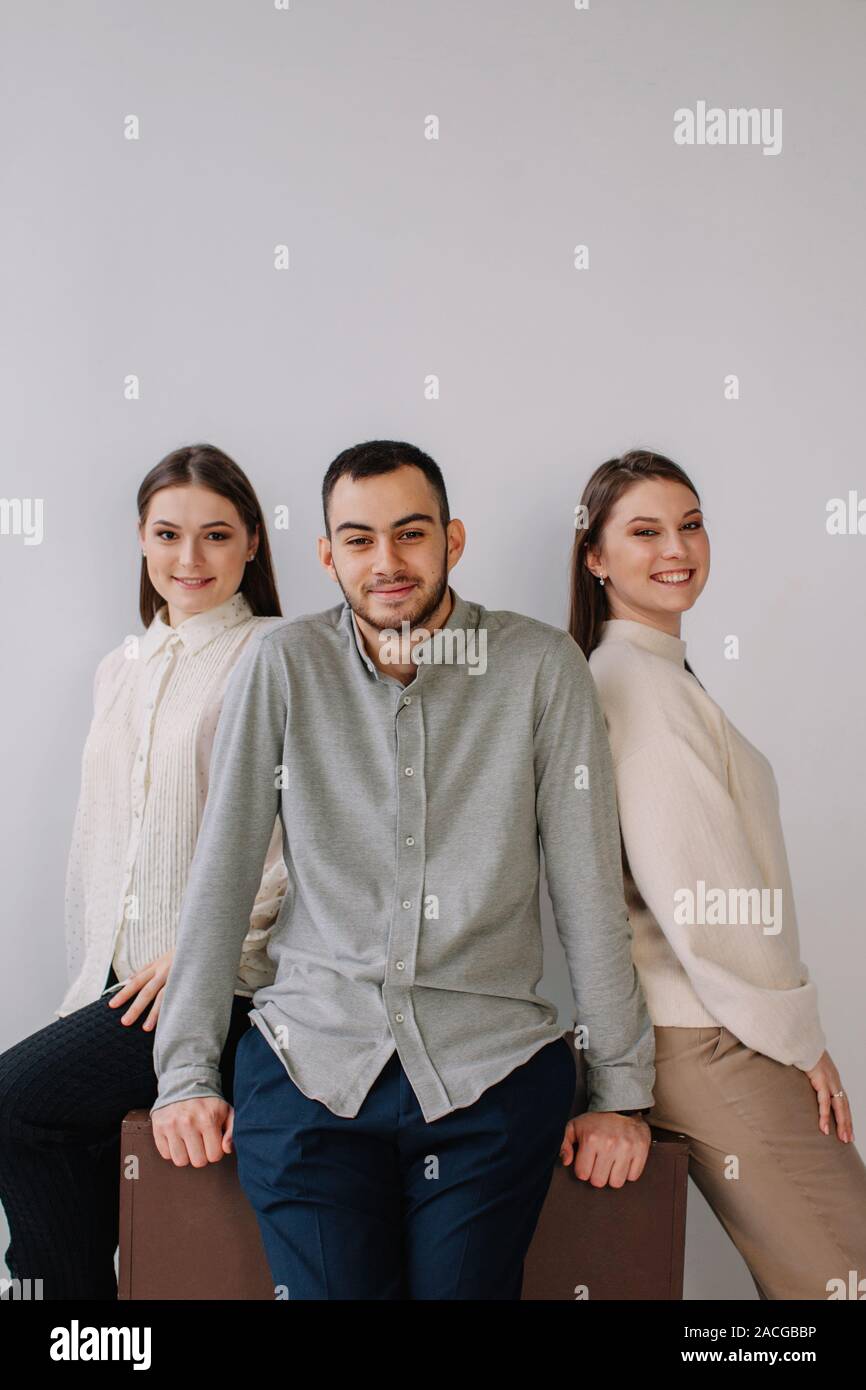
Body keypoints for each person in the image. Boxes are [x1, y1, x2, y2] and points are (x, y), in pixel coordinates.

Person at [149, 439, 655, 1301]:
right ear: (326, 554)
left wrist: (620, 1090)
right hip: (309, 1064)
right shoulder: (282, 667)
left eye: (411, 534)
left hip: (489, 1070)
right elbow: (222, 876)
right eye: (358, 539)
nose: (386, 563)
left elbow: (586, 892)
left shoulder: (539, 669)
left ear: (453, 541)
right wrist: (185, 1075)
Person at [570, 446, 866, 1299]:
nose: (678, 547)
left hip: (718, 1029)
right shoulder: (638, 689)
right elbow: (705, 906)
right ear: (595, 557)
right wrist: (799, 1038)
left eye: (691, 524)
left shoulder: (655, 675)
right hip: (713, 1036)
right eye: (645, 531)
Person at [0, 442, 287, 1300]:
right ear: (140, 538)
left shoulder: (274, 654)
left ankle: (71, 1326)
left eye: (214, 536)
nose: (188, 559)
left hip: (223, 991)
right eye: (167, 534)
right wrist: (85, 987)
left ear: (251, 546)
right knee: (62, 1135)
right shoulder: (117, 668)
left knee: (13, 1102)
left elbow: (302, 842)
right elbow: (98, 848)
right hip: (119, 989)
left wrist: (202, 954)